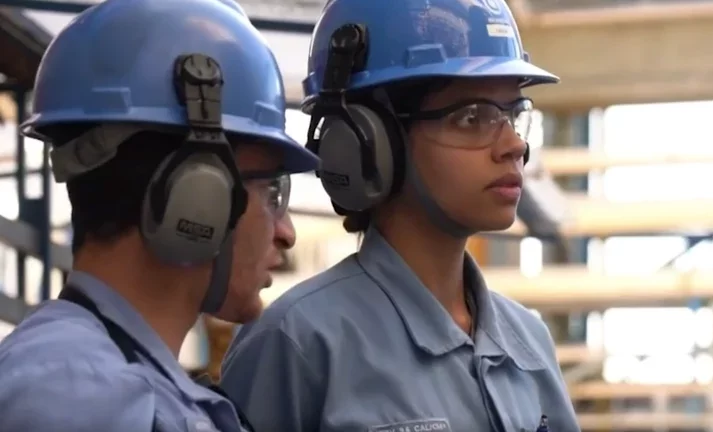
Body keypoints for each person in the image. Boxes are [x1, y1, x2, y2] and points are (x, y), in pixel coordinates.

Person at [220, 0, 580, 430]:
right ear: (368, 141)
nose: (514, 146)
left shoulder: (528, 344)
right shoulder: (298, 342)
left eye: (514, 114)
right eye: (473, 117)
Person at [0, 0, 318, 430]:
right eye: (272, 191)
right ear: (198, 194)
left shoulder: (111, 379)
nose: (286, 232)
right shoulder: (75, 393)